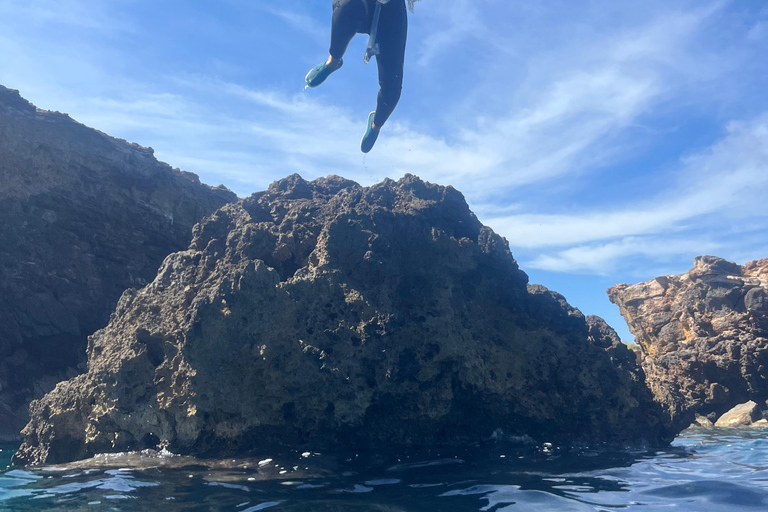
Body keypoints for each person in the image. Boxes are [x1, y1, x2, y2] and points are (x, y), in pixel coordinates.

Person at [306, 0, 415, 153]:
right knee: (345, 9)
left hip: (391, 14)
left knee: (392, 90)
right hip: (360, 4)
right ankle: (333, 62)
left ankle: (375, 126)